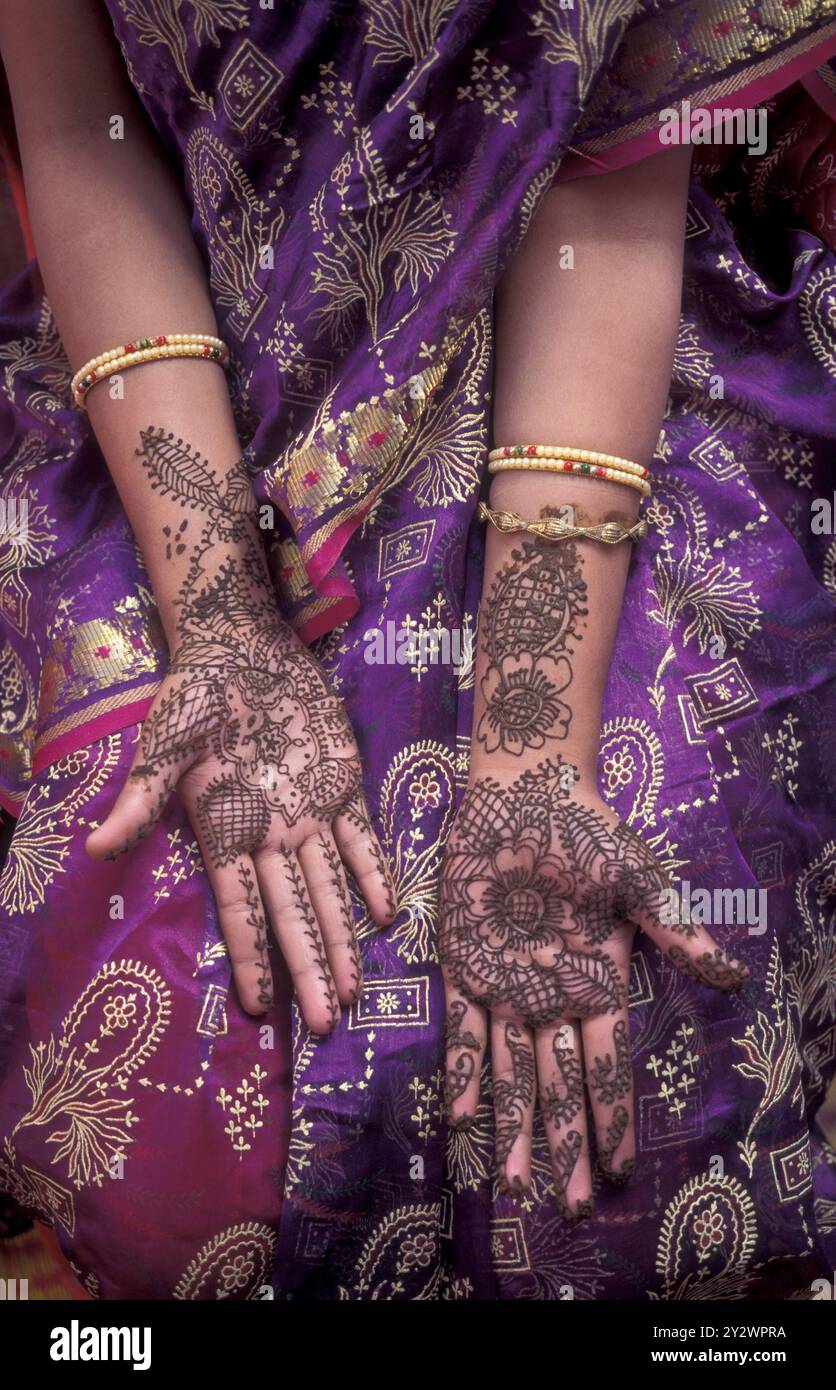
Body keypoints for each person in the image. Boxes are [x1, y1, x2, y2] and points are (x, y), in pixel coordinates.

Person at [0, 0, 835, 1300]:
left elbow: (608, 173)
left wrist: (528, 751)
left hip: (596, 388)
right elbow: (79, 124)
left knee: (614, 1096)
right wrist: (219, 614)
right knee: (169, 1043)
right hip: (177, 400)